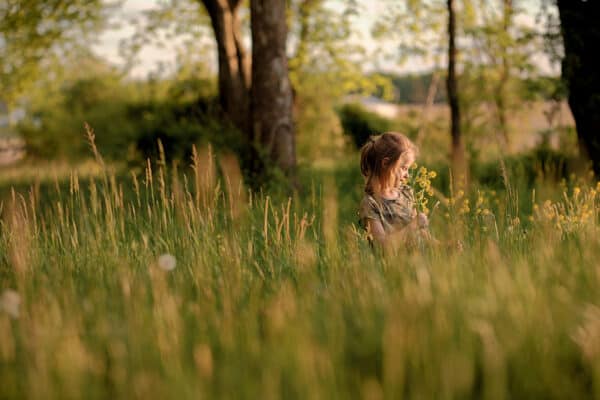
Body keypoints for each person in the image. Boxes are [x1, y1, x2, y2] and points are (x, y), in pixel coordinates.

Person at [358, 132, 430, 252]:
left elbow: (423, 236)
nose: (407, 175)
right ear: (385, 163)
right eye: (404, 168)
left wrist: (443, 246)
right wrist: (413, 225)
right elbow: (382, 248)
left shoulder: (407, 194)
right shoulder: (370, 204)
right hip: (390, 269)